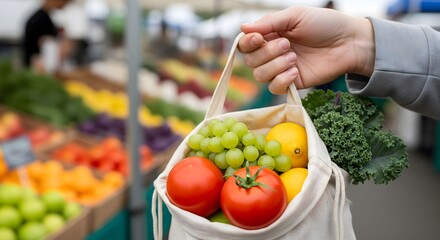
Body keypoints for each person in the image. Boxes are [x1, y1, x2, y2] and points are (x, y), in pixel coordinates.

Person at [237, 6, 440, 120]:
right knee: (323, 98)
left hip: (329, 79)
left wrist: (355, 43)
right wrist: (355, 43)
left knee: (325, 98)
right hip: (324, 78)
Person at [22, 0, 73, 73]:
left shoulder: (42, 17)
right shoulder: (41, 19)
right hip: (38, 71)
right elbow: (48, 48)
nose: (66, 5)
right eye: (65, 2)